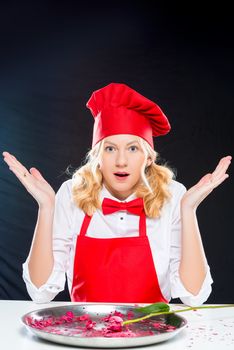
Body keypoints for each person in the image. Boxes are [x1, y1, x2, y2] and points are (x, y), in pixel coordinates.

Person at [2, 83, 231, 306]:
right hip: (87, 333)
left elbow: (194, 296)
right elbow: (40, 292)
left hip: (153, 333)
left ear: (149, 157)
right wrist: (46, 208)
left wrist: (188, 210)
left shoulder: (173, 195)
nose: (121, 161)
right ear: (97, 156)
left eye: (133, 148)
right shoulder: (72, 193)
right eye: (110, 148)